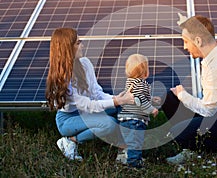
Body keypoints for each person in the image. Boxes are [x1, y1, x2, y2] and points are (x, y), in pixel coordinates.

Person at [162, 15, 217, 165]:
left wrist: (183, 95)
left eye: (186, 41)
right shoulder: (215, 48)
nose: (184, 47)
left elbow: (209, 110)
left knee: (179, 131)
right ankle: (193, 149)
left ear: (198, 41)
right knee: (168, 98)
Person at [45, 28, 134, 161]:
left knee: (124, 109)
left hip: (86, 112)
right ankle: (71, 141)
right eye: (78, 43)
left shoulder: (85, 64)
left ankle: (124, 151)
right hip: (68, 119)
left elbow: (96, 93)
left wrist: (116, 99)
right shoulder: (62, 79)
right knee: (109, 125)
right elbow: (87, 105)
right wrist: (116, 102)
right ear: (67, 48)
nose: (82, 45)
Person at [118, 54, 159, 168]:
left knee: (129, 141)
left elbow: (137, 97)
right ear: (145, 72)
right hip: (135, 119)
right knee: (136, 143)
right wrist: (152, 109)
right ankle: (134, 164)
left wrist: (151, 99)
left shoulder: (130, 82)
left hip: (125, 118)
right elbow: (139, 99)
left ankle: (124, 157)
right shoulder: (140, 84)